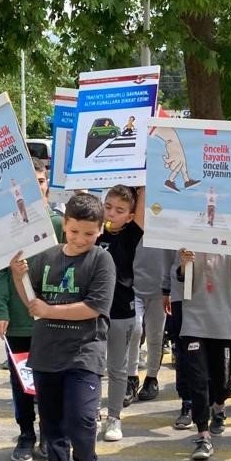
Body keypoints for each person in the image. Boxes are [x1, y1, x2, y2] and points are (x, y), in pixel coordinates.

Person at [10, 193, 115, 461]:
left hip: (84, 351)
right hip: (46, 353)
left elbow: (94, 307)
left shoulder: (101, 260)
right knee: (52, 426)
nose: (81, 239)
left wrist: (50, 309)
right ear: (64, 225)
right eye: (74, 232)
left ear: (100, 230)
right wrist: (17, 274)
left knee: (82, 418)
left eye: (89, 233)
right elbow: (32, 301)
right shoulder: (47, 257)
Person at [0, 159, 63, 461]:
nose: (36, 188)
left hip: (53, 321)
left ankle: (49, 431)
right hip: (19, 324)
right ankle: (25, 434)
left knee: (51, 381)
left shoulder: (59, 224)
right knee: (23, 382)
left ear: (47, 185)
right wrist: (0, 311)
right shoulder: (5, 227)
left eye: (41, 182)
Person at [175, 238, 231, 460]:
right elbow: (183, 282)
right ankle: (203, 434)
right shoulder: (189, 246)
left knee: (221, 381)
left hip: (222, 324)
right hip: (194, 323)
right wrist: (184, 264)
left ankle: (219, 408)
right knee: (198, 379)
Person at [96, 185, 145, 442]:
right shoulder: (92, 231)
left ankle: (113, 417)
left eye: (120, 210)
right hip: (91, 312)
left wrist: (143, 175)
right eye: (108, 207)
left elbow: (143, 202)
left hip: (121, 311)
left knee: (117, 368)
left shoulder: (132, 234)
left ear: (130, 215)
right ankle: (92, 413)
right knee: (92, 367)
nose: (112, 213)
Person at [127, 242, 172, 402]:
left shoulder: (168, 224)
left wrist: (170, 287)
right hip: (134, 287)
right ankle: (131, 377)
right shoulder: (134, 224)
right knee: (135, 329)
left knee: (155, 335)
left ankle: (151, 378)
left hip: (161, 289)